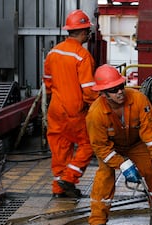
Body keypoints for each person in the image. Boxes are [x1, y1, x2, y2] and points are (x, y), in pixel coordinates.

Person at [86, 64, 152, 225]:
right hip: (110, 148)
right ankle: (97, 223)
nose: (120, 92)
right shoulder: (95, 114)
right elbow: (100, 147)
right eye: (113, 90)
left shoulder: (139, 100)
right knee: (104, 177)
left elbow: (151, 134)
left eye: (121, 86)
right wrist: (123, 164)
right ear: (103, 93)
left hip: (136, 143)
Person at [43, 10, 98, 198]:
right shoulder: (82, 56)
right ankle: (69, 178)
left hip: (55, 108)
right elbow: (89, 90)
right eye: (88, 32)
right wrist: (97, 107)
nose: (89, 35)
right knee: (88, 144)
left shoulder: (53, 52)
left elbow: (47, 82)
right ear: (83, 32)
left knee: (60, 147)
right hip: (74, 110)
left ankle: (59, 188)